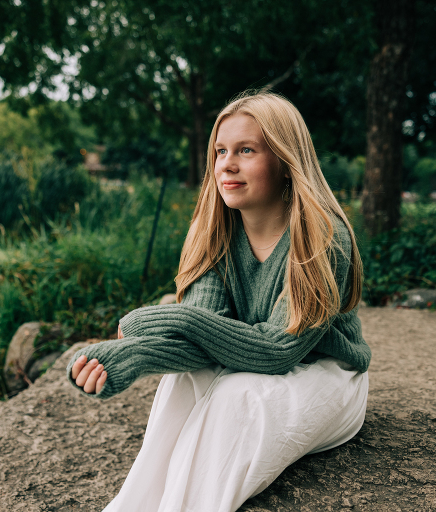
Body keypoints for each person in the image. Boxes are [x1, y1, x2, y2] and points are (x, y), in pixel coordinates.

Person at [66, 91, 371, 512]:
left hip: (327, 375)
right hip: (249, 359)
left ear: (285, 161)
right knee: (185, 379)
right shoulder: (213, 233)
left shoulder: (321, 236)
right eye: (220, 150)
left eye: (246, 150)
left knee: (234, 394)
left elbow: (276, 349)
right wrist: (135, 355)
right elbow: (203, 333)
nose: (226, 163)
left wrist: (160, 320)